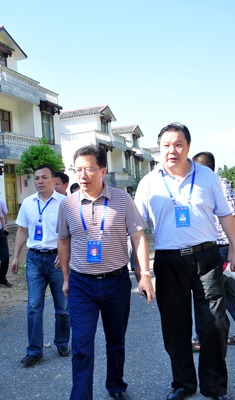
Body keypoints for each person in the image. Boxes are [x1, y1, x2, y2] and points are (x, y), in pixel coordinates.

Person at [134, 123, 235, 400]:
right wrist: (143, 273)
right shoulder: (148, 182)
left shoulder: (207, 176)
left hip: (206, 257)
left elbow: (225, 214)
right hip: (168, 261)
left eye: (178, 144)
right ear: (159, 149)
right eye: (166, 145)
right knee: (175, 328)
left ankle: (214, 387)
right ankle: (183, 385)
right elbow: (136, 230)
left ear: (188, 146)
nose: (172, 150)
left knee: (214, 324)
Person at [58, 145, 154, 400]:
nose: (83, 175)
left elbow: (138, 238)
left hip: (116, 282)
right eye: (78, 170)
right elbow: (64, 241)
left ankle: (116, 386)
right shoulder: (68, 204)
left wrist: (145, 274)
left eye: (89, 169)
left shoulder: (122, 199)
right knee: (81, 345)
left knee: (115, 341)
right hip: (81, 284)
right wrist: (66, 278)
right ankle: (80, 396)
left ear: (102, 170)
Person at [191, 152, 235, 350]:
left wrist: (233, 249)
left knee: (206, 293)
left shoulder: (217, 184)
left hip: (219, 248)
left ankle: (201, 337)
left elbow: (233, 217)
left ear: (202, 167)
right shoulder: (206, 184)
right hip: (217, 247)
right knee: (231, 292)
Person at [11, 165, 70, 366]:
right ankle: (35, 350)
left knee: (62, 306)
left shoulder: (65, 203)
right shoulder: (28, 203)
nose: (40, 181)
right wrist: (16, 256)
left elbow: (73, 233)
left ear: (54, 180)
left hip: (57, 260)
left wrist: (66, 256)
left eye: (44, 177)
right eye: (36, 178)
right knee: (34, 306)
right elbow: (21, 230)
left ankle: (62, 341)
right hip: (34, 259)